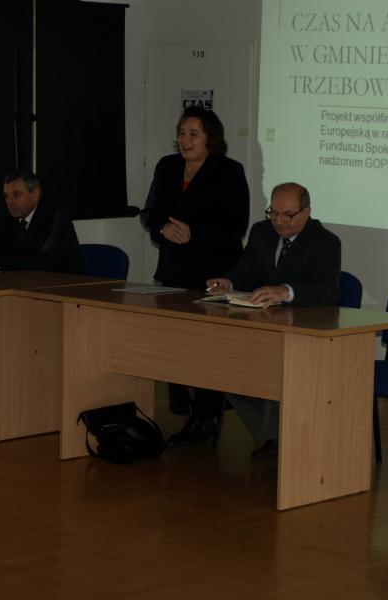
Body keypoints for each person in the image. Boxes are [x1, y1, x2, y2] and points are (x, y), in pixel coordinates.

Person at [206, 182, 341, 459]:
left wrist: (286, 291)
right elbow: (246, 271)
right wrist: (228, 282)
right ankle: (278, 435)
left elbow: (328, 291)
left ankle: (278, 438)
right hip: (264, 325)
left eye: (287, 215)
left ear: (306, 212)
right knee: (223, 369)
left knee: (272, 367)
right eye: (274, 213)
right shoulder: (261, 232)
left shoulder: (325, 242)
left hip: (305, 331)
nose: (279, 221)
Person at [141, 105, 250, 444]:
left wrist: (195, 233)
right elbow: (149, 212)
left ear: (210, 140)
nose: (184, 140)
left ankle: (206, 417)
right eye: (181, 133)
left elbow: (236, 225)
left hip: (212, 272)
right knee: (177, 345)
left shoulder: (229, 171)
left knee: (206, 348)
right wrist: (162, 228)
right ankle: (188, 411)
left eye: (193, 134)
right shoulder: (167, 165)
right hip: (173, 271)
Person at [0, 170, 85, 274]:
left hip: (66, 282)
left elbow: (43, 261)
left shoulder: (54, 216)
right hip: (27, 281)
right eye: (6, 197)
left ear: (35, 194)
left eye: (16, 195)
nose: (10, 202)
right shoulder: (8, 217)